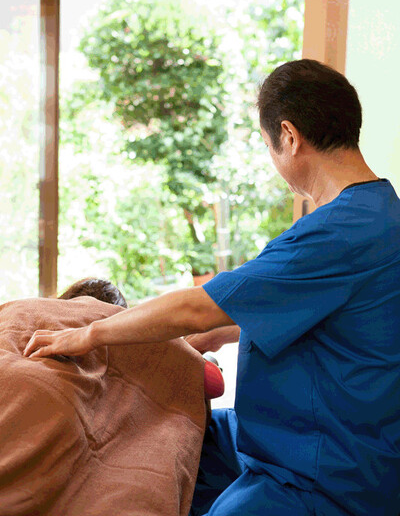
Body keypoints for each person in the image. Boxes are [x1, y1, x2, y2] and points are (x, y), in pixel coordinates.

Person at [24, 59, 400, 516]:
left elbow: (198, 309)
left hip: (322, 471)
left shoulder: (337, 232)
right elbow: (327, 313)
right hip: (283, 432)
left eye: (268, 145)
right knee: (178, 438)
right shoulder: (380, 214)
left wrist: (88, 334)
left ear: (289, 136)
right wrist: (226, 330)